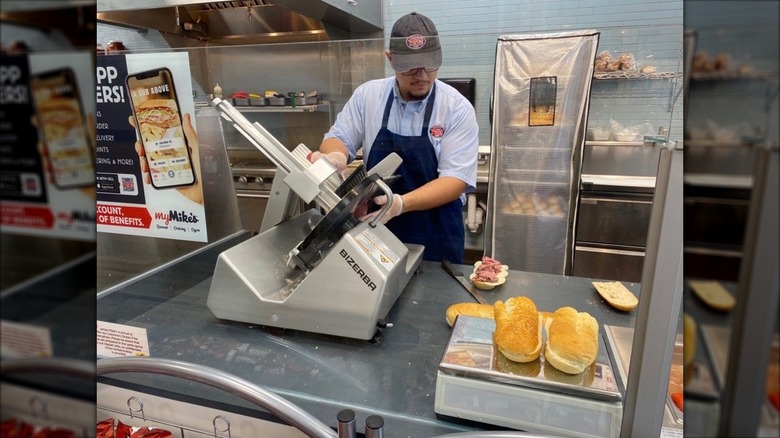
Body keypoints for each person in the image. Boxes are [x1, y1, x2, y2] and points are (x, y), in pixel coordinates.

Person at [309, 12, 479, 263]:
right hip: (376, 231)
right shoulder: (368, 96)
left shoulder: (456, 108)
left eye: (429, 65)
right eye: (410, 67)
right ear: (391, 59)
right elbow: (338, 138)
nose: (422, 75)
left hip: (437, 235)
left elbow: (455, 181)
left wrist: (399, 204)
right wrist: (335, 155)